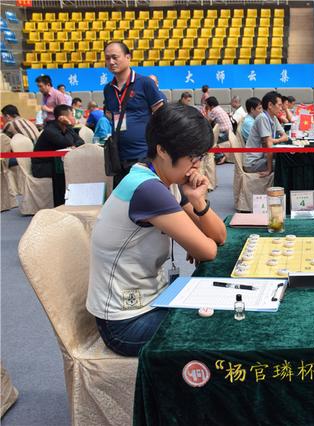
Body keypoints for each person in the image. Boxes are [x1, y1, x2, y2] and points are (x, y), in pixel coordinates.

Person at [86, 104, 227, 357]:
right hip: (125, 323)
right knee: (217, 325)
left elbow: (219, 236)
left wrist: (197, 200)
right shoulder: (148, 189)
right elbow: (208, 251)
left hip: (154, 297)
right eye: (191, 157)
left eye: (200, 157)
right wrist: (198, 238)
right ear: (162, 150)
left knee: (219, 307)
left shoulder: (164, 180)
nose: (196, 165)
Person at [103, 41, 165, 187]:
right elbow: (110, 114)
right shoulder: (108, 89)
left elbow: (161, 115)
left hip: (143, 155)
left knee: (146, 201)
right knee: (123, 203)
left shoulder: (145, 83)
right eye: (107, 58)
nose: (111, 62)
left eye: (115, 57)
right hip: (118, 157)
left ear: (128, 57)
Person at [32, 104, 84, 206]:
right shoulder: (50, 131)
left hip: (56, 163)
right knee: (64, 171)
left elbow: (80, 141)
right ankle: (60, 204)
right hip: (41, 167)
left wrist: (72, 141)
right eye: (71, 115)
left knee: (72, 168)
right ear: (62, 118)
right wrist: (69, 126)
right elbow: (67, 143)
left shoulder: (65, 128)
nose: (73, 118)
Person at [244, 91, 288, 176]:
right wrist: (269, 169)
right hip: (254, 163)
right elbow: (269, 145)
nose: (281, 108)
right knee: (285, 164)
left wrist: (274, 140)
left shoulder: (273, 117)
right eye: (279, 105)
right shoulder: (262, 118)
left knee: (288, 160)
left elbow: (285, 136)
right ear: (270, 105)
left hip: (263, 158)